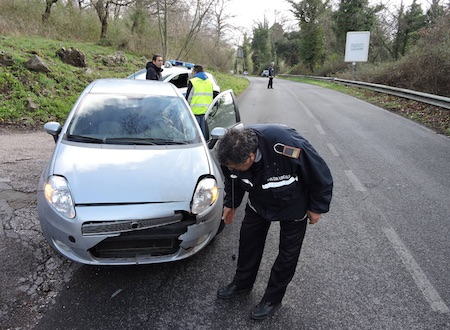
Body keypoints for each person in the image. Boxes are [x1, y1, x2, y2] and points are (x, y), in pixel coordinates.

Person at [216, 124, 333, 320]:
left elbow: (320, 174)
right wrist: (232, 203)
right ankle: (242, 282)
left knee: (287, 254)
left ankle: (272, 298)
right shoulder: (230, 154)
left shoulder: (288, 147)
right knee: (248, 242)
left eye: (235, 166)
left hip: (292, 204)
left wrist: (317, 208)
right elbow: (233, 178)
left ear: (251, 157)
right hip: (258, 203)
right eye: (228, 166)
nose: (230, 169)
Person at [185, 64, 215, 137]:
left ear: (195, 71)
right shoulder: (209, 82)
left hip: (195, 111)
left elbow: (188, 98)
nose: (192, 73)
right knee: (204, 134)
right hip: (206, 111)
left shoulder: (193, 82)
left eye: (192, 71)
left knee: (194, 134)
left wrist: (186, 109)